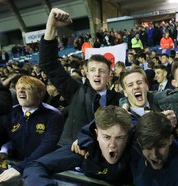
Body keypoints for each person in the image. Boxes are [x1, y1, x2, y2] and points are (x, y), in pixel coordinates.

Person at [23, 105, 132, 186]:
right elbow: (34, 167)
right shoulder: (84, 149)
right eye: (106, 137)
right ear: (96, 133)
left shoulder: (139, 147)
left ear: (128, 136)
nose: (112, 145)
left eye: (119, 138)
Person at [39, 8, 122, 146]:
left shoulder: (119, 100)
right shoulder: (77, 91)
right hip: (73, 156)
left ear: (109, 76)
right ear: (86, 74)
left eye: (102, 70)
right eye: (93, 70)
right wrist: (51, 26)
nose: (97, 74)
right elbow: (49, 64)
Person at [0, 76, 63, 184]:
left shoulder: (53, 116)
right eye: (18, 88)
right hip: (15, 170)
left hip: (42, 172)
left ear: (40, 93)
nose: (21, 90)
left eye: (27, 88)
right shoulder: (11, 113)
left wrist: (20, 167)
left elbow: (47, 147)